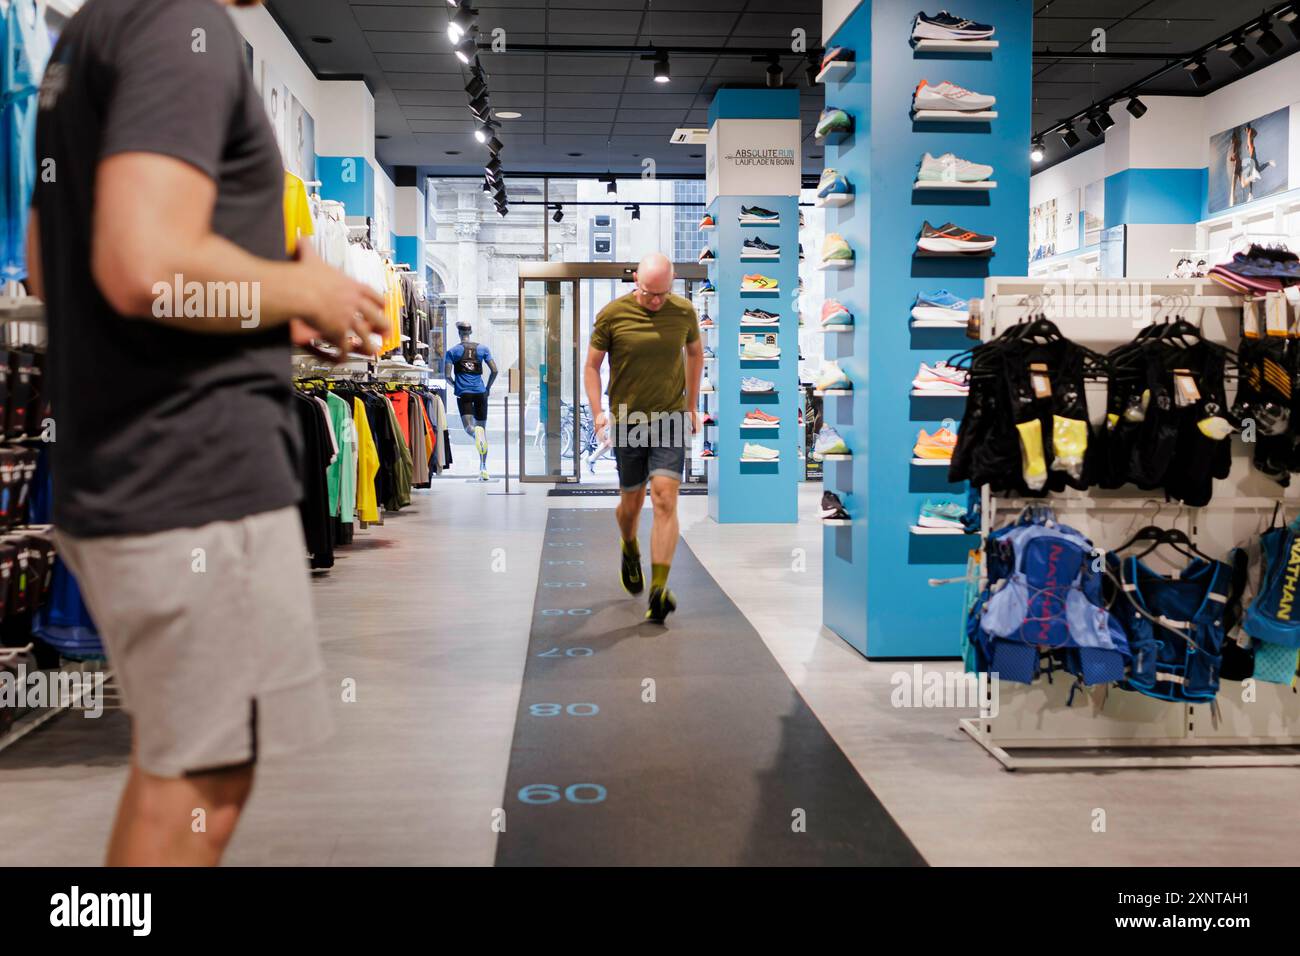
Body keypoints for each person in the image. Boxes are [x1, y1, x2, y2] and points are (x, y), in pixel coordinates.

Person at [27, 0, 389, 866]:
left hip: (128, 459)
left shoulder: (91, 31)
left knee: (187, 767)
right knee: (200, 778)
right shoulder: (179, 26)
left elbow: (50, 261)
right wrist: (307, 292)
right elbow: (142, 263)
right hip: (188, 474)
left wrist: (261, 304)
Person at [584, 253, 703, 624]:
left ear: (672, 283)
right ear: (636, 280)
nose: (655, 301)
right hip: (627, 420)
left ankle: (659, 589)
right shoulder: (612, 314)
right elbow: (591, 365)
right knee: (631, 505)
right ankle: (629, 545)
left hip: (669, 417)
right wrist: (597, 412)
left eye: (662, 294)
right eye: (649, 293)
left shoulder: (683, 312)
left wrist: (692, 404)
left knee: (665, 499)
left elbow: (695, 353)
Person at [444, 320, 499, 481]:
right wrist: (487, 387)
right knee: (483, 430)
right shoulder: (483, 349)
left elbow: (447, 376)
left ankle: (476, 434)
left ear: (459, 333)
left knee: (470, 428)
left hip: (464, 394)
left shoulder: (452, 352)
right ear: (470, 332)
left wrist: (456, 385)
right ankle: (483, 468)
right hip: (481, 393)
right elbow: (494, 370)